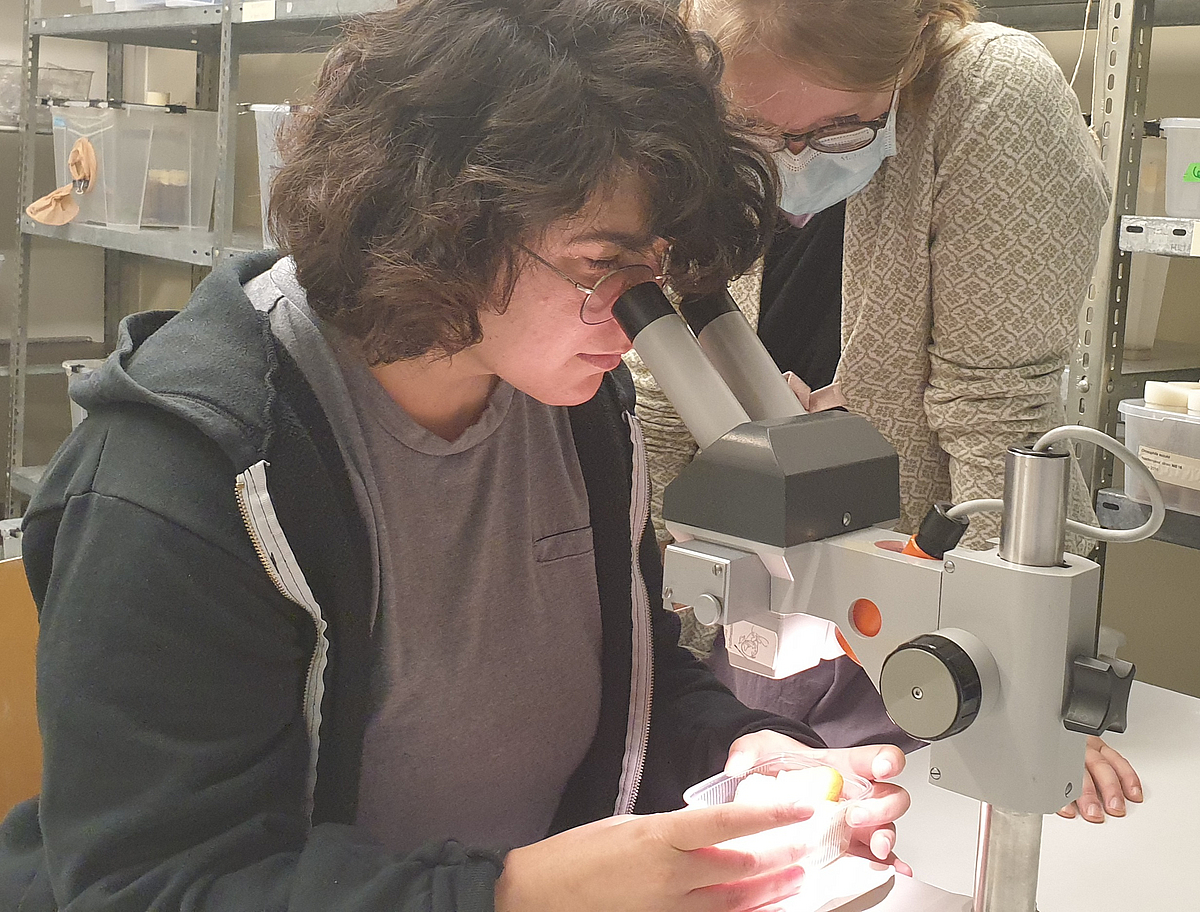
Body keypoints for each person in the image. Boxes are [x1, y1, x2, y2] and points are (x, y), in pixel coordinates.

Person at [0, 2, 912, 910]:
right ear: (447, 223)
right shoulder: (186, 477)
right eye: (605, 266)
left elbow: (626, 672)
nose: (640, 314)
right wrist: (512, 894)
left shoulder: (578, 409)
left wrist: (737, 753)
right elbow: (150, 884)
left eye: (660, 263)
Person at [627, 0, 1142, 823]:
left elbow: (996, 417)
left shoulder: (992, 98)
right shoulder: (674, 80)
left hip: (918, 631)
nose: (793, 165)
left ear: (905, 66)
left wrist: (1025, 675)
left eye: (842, 129)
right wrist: (640, 640)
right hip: (746, 620)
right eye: (754, 132)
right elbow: (659, 386)